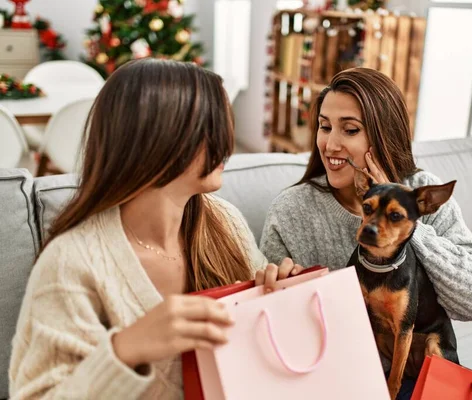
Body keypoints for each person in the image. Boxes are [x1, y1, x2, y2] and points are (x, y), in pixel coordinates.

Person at [9, 58, 297, 399]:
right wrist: (124, 350)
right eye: (213, 130)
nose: (228, 145)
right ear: (161, 139)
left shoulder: (224, 223)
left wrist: (280, 296)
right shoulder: (72, 263)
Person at [259, 67, 472, 399]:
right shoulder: (292, 210)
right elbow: (272, 323)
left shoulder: (421, 193)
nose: (330, 144)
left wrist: (403, 219)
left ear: (383, 135)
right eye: (324, 126)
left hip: (419, 373)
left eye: (350, 130)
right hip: (337, 376)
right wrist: (282, 288)